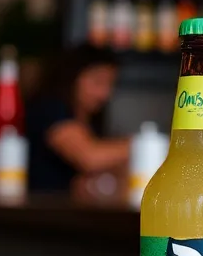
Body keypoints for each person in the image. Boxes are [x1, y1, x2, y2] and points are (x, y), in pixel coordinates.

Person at [26, 45, 129, 193]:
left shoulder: (92, 118)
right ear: (72, 77)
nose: (105, 93)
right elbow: (90, 157)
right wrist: (144, 145)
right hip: (42, 205)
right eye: (98, 82)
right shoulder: (50, 109)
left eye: (110, 84)